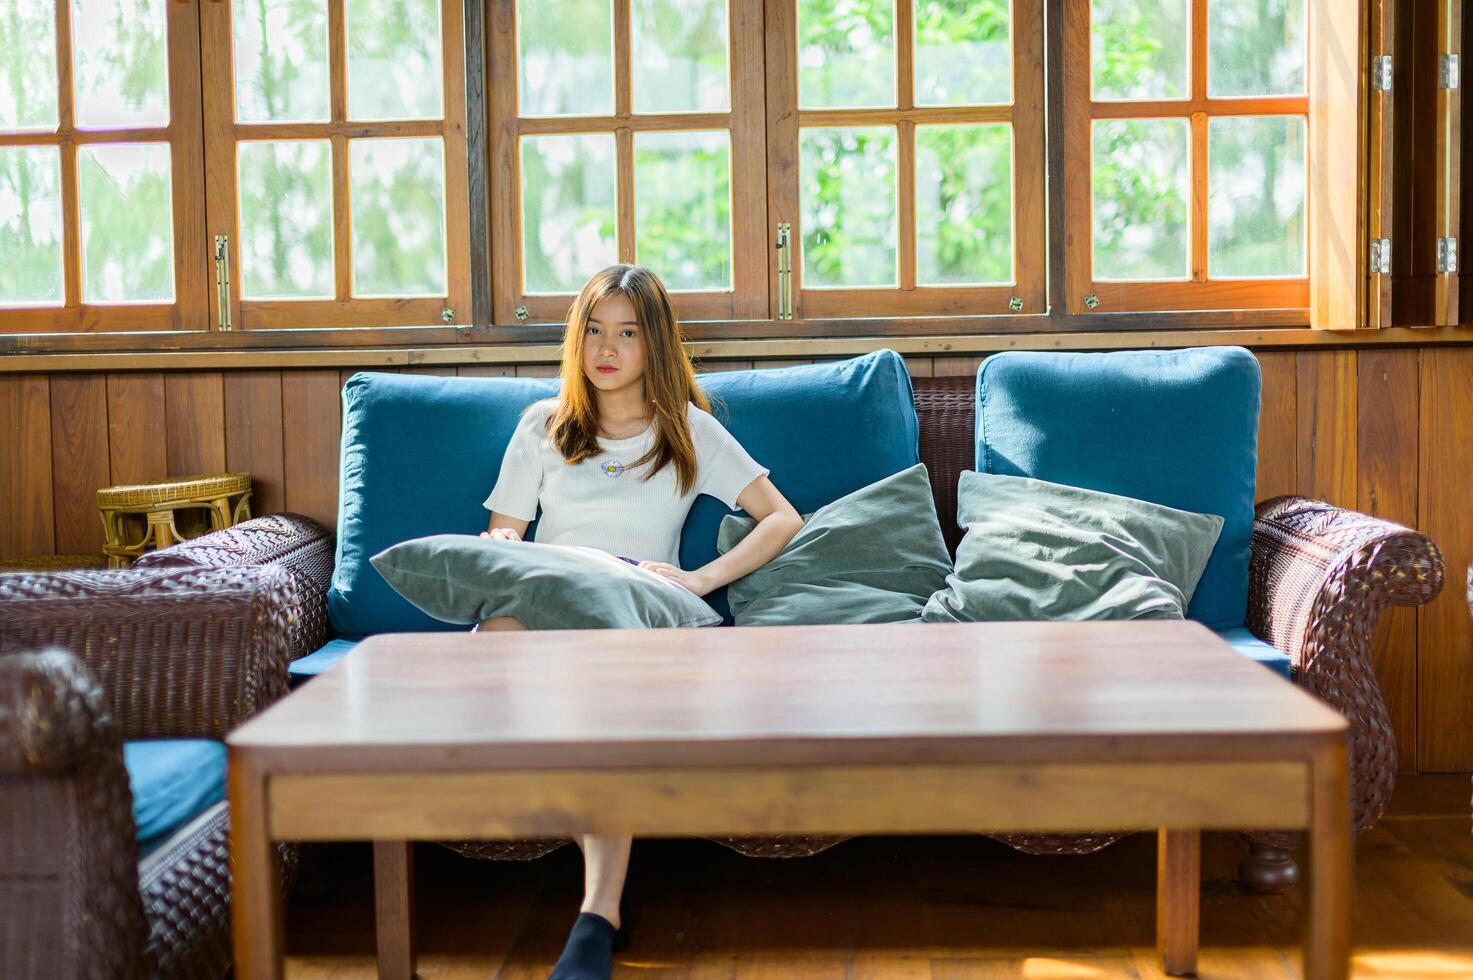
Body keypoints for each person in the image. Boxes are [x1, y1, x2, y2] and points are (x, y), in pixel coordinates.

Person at [478, 263, 804, 980]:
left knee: (603, 691)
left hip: (634, 603)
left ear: (654, 344)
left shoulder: (687, 428)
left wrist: (700, 579)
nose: (607, 347)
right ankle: (596, 905)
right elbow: (502, 541)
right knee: (496, 630)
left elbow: (781, 518)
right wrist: (502, 552)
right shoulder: (543, 426)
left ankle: (595, 915)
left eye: (627, 333)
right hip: (549, 594)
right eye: (593, 330)